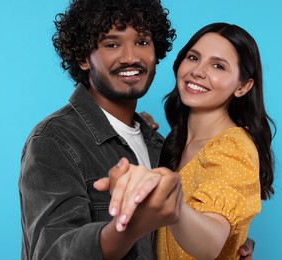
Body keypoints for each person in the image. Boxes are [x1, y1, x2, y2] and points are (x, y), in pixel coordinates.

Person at [18, 0, 255, 258]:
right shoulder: (55, 140)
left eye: (142, 42)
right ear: (84, 58)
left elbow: (180, 236)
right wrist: (127, 228)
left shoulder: (158, 144)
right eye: (111, 44)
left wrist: (231, 245)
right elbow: (53, 252)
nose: (131, 57)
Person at [101, 22, 275, 259]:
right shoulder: (174, 142)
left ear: (243, 86)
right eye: (193, 58)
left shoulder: (232, 147)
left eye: (218, 66)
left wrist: (171, 203)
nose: (198, 71)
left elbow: (210, 244)